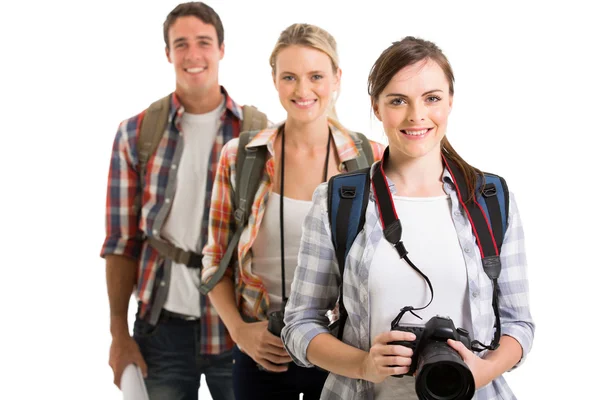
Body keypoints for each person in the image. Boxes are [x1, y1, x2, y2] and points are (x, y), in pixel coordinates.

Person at [281, 36, 535, 399]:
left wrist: (484, 371)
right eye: (398, 100)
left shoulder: (489, 198)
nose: (417, 115)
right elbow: (300, 324)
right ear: (377, 107)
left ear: (450, 102)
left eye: (431, 98)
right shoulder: (339, 201)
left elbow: (518, 323)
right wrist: (363, 365)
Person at [200, 23, 385, 400]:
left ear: (337, 78)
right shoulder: (239, 157)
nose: (303, 90)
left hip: (341, 348)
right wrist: (239, 331)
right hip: (262, 348)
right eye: (289, 77)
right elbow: (214, 259)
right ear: (274, 80)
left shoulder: (374, 159)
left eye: (316, 76)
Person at [100, 3, 265, 399]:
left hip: (238, 329)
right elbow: (121, 243)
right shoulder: (136, 134)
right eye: (181, 44)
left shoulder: (258, 134)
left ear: (222, 49)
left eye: (204, 42)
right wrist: (119, 335)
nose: (193, 55)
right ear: (168, 53)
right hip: (162, 330)